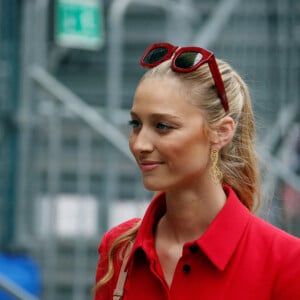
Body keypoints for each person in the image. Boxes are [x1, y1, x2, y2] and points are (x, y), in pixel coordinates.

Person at [94, 42, 300, 300]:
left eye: (162, 126)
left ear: (222, 132)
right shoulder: (118, 248)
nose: (139, 144)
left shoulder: (287, 261)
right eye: (136, 124)